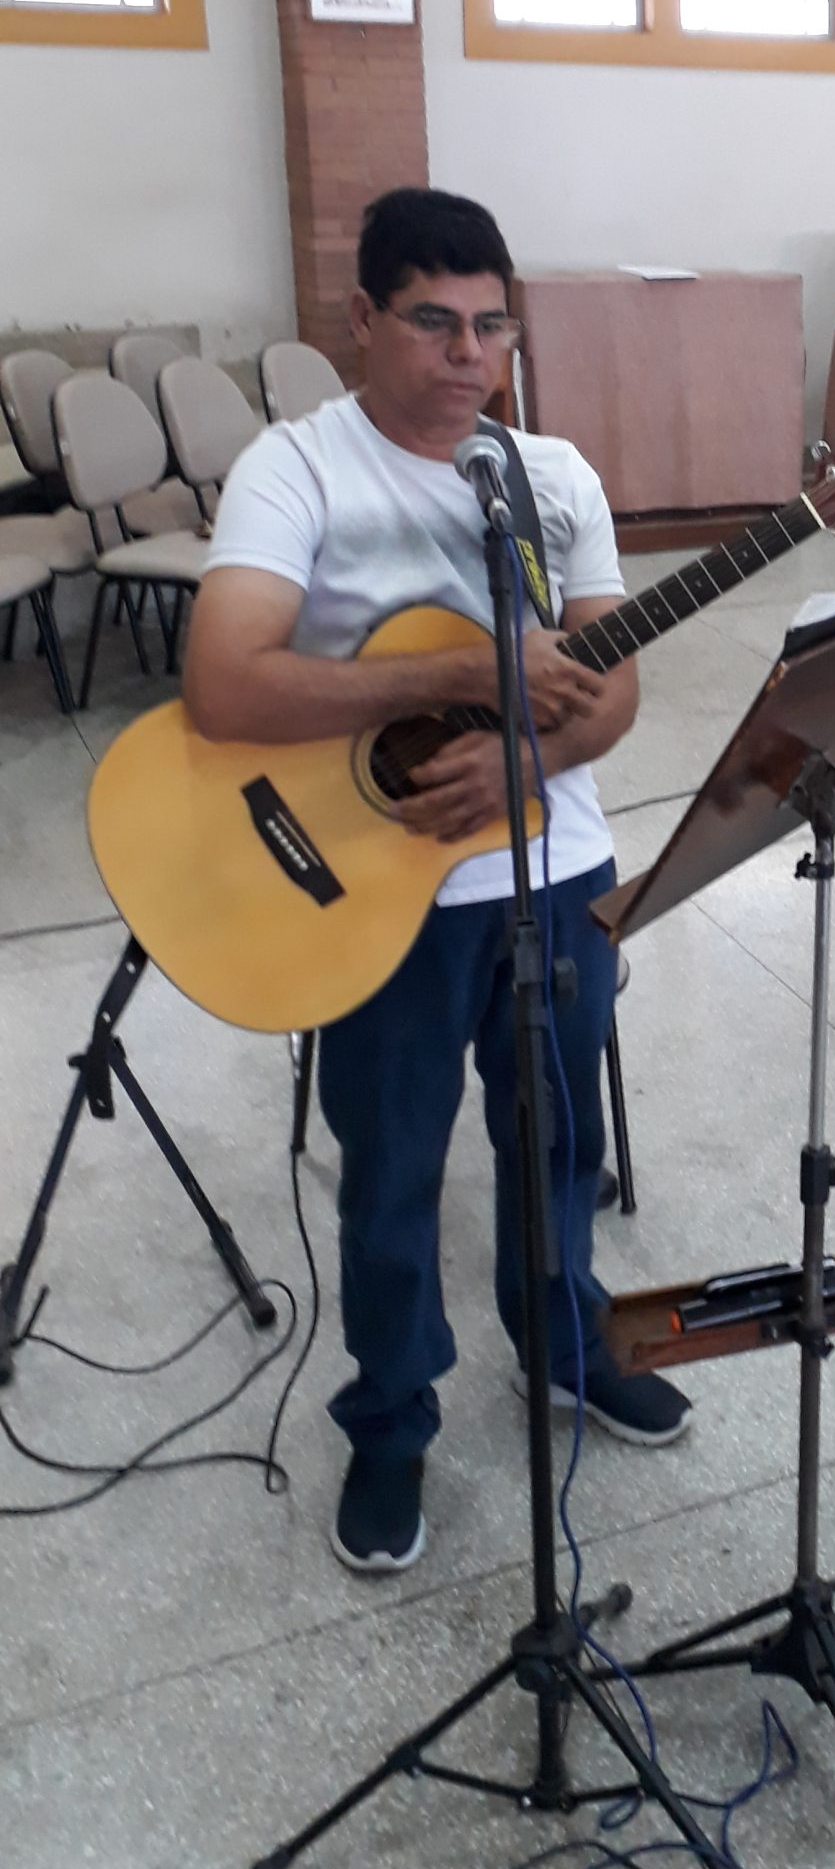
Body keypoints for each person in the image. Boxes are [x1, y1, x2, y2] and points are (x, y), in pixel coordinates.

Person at [184, 187, 688, 1573]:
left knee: (559, 1144)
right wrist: (461, 672)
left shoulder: (549, 476)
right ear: (362, 318)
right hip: (369, 890)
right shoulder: (298, 469)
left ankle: (567, 1342)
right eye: (434, 322)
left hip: (555, 872)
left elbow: (613, 684)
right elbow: (225, 684)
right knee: (395, 1172)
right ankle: (393, 1418)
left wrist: (529, 756)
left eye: (491, 327)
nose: (470, 355)